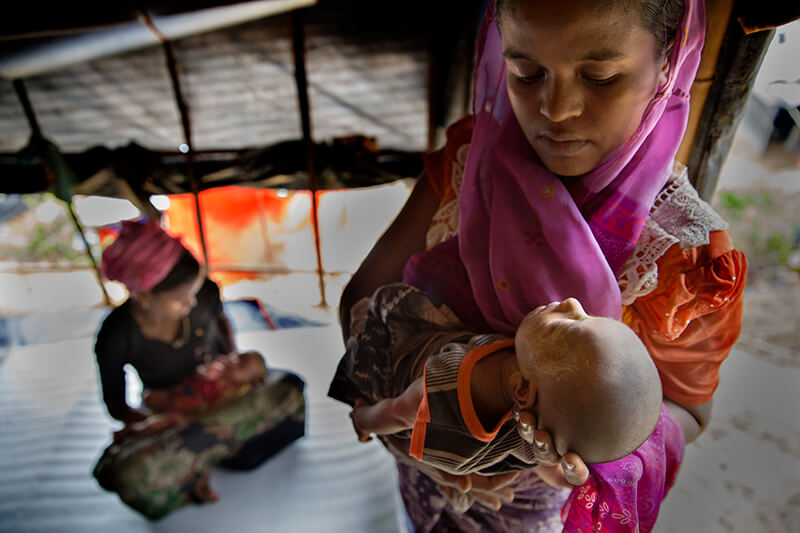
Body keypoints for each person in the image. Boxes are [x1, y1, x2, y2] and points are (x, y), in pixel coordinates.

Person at [338, 0, 748, 531]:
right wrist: (413, 438)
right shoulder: (471, 162)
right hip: (423, 482)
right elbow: (362, 297)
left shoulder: (682, 258)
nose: (555, 109)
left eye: (599, 77)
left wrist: (572, 454)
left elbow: (689, 412)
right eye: (526, 73)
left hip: (532, 513)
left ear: (669, 60)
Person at [330, 284, 681, 518]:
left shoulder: (447, 383)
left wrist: (364, 421)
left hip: (405, 397)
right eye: (587, 314)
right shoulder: (536, 420)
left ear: (523, 391)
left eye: (567, 327)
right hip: (456, 458)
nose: (573, 304)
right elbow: (540, 463)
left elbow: (397, 412)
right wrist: (560, 476)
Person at [92, 219, 306, 520]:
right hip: (174, 407)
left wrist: (232, 362)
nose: (192, 303)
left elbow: (221, 321)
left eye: (193, 293)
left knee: (290, 387)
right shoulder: (115, 336)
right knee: (127, 475)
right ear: (144, 296)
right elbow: (116, 405)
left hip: (225, 393)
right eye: (181, 298)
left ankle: (196, 460)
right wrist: (166, 420)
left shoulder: (204, 293)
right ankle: (216, 445)